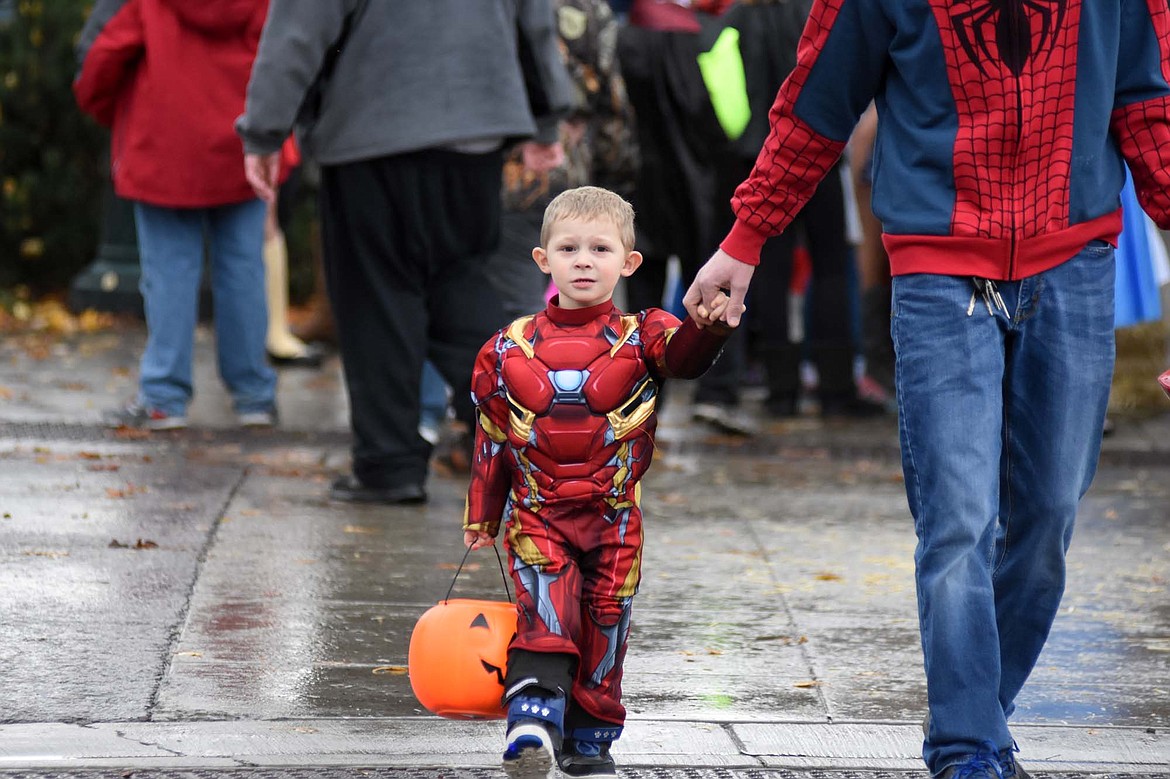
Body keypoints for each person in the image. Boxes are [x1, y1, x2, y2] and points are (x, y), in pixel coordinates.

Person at [685, 3, 1170, 778]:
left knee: (1046, 520)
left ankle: (978, 711)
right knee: (957, 523)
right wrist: (746, 239)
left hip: (1074, 260)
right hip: (938, 268)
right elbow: (816, 106)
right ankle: (966, 746)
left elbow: (1151, 107)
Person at [236, 0, 573, 504]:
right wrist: (545, 119)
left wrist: (264, 129)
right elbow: (534, 23)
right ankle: (535, 436)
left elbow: (300, 30)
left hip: (371, 130)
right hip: (475, 132)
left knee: (377, 298)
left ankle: (388, 463)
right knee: (461, 286)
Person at [463, 186, 734, 779]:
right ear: (544, 260)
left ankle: (591, 741)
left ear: (628, 262)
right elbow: (491, 438)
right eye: (568, 248)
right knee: (547, 613)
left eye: (600, 248)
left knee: (607, 619)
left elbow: (685, 360)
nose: (584, 260)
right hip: (537, 513)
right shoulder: (506, 350)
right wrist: (482, 514)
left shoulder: (646, 334)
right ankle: (531, 721)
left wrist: (708, 328)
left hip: (615, 515)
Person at [74, 0, 285, 431]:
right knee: (243, 270)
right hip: (241, 144)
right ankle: (253, 396)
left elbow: (103, 56)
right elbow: (285, 54)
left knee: (168, 272)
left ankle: (164, 397)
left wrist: (108, 111)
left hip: (163, 143)